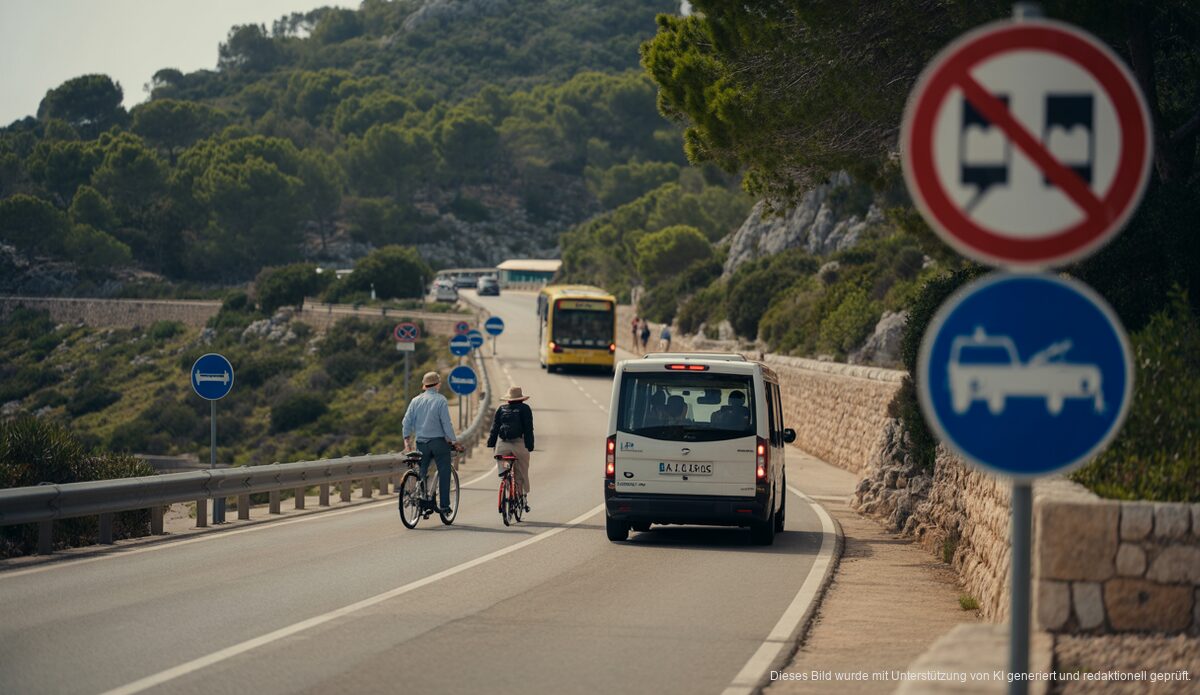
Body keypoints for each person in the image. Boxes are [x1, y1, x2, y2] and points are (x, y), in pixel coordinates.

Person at [402, 371, 463, 514]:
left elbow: (406, 421)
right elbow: (446, 423)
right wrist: (453, 441)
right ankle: (444, 505)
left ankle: (422, 499)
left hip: (421, 443)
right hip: (438, 442)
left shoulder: (415, 400)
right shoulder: (440, 400)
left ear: (424, 385)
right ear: (438, 385)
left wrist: (406, 439)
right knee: (444, 470)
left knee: (422, 470)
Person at [487, 386, 535, 512]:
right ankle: (521, 496)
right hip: (519, 445)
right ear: (521, 398)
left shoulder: (501, 408)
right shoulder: (525, 408)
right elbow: (528, 429)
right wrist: (530, 446)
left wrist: (491, 443)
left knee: (505, 467)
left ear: (508, 399)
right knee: (522, 472)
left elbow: (495, 428)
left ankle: (506, 482)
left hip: (503, 446)